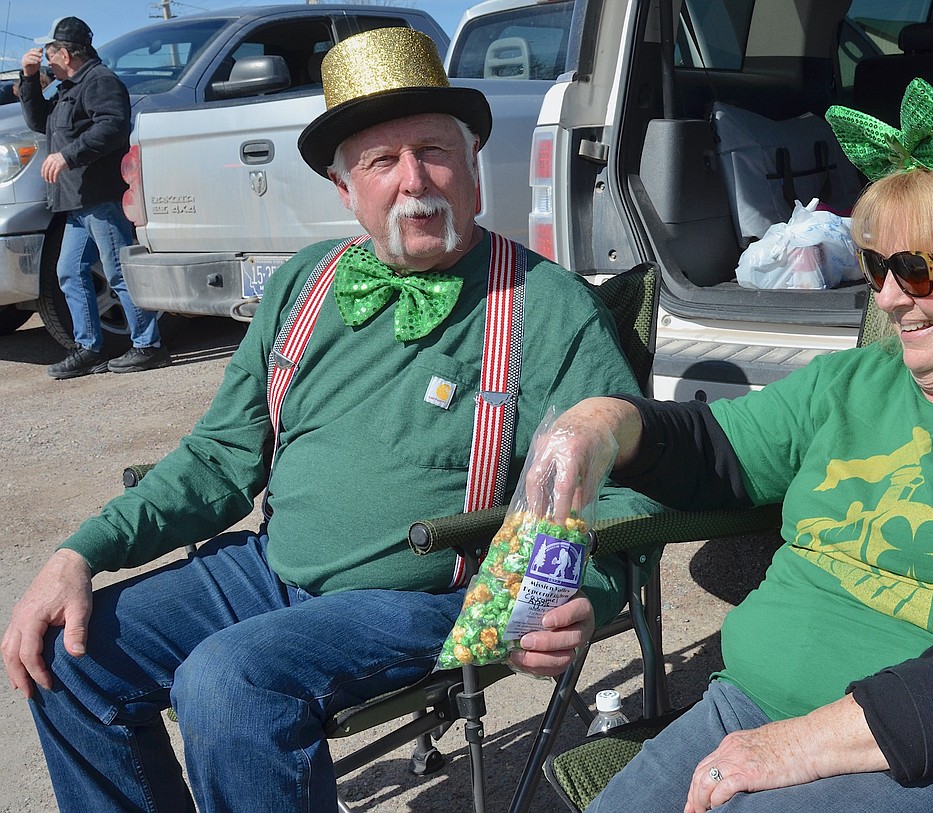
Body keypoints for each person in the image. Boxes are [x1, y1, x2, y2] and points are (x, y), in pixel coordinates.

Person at [1, 27, 658, 813]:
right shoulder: (303, 287)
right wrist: (83, 550)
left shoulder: (551, 309)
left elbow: (626, 494)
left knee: (227, 678)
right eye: (382, 162)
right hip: (269, 569)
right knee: (73, 657)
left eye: (435, 151)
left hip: (423, 594)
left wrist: (586, 590)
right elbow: (219, 457)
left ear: (475, 171)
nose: (414, 181)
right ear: (346, 191)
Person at [525, 79, 933, 813]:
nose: (891, 297)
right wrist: (606, 421)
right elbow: (714, 451)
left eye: (920, 267)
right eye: (878, 266)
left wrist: (803, 744)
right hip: (750, 713)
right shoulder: (856, 382)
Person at [19, 16, 168, 379]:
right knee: (69, 272)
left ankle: (148, 346)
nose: (48, 60)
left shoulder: (100, 82)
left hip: (101, 198)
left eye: (51, 53)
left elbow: (113, 128)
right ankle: (88, 348)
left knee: (118, 272)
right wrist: (29, 80)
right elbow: (41, 123)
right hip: (76, 201)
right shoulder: (69, 86)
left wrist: (67, 156)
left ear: (66, 53)